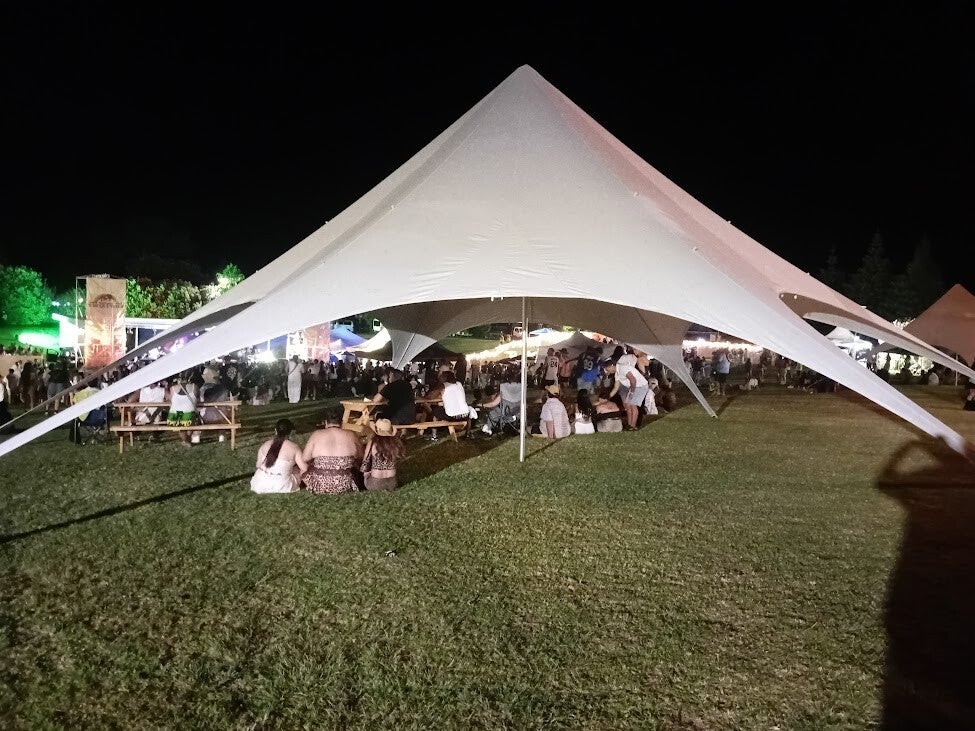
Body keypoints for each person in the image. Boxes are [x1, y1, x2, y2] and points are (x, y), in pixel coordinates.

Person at [302, 405, 363, 494]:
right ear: (341, 422)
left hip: (320, 485)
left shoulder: (316, 434)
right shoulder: (351, 434)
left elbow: (305, 458)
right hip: (345, 484)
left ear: (326, 422)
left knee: (302, 468)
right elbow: (361, 457)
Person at [251, 418, 307, 493]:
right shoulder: (294, 447)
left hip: (259, 483)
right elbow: (304, 468)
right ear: (291, 432)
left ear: (275, 430)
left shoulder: (265, 444)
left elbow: (258, 465)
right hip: (282, 485)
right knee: (297, 470)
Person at [361, 418, 405, 491]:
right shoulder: (395, 443)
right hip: (392, 483)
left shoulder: (373, 442)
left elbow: (365, 461)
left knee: (366, 473)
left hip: (375, 484)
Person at [608, 354, 649, 431]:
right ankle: (629, 424)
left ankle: (633, 426)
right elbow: (616, 388)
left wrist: (632, 393)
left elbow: (633, 380)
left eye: (607, 369)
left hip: (641, 386)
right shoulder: (617, 374)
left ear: (611, 366)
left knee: (633, 405)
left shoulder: (623, 368)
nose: (607, 371)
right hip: (633, 387)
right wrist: (608, 397)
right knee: (627, 405)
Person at [430, 370, 472, 440]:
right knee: (468, 410)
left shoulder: (443, 385)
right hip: (465, 415)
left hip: (452, 416)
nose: (440, 377)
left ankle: (434, 436)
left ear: (445, 378)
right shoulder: (459, 384)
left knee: (435, 411)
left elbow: (431, 397)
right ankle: (468, 434)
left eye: (442, 376)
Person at [167, 376, 198, 446]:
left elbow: (170, 399)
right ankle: (188, 440)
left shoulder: (173, 388)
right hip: (190, 413)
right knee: (191, 422)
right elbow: (197, 398)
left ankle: (186, 441)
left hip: (175, 414)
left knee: (181, 428)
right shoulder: (194, 387)